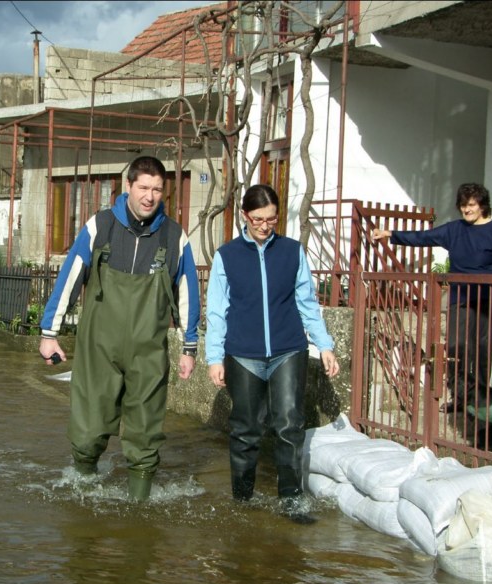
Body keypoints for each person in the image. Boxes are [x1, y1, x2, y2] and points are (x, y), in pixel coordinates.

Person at [39, 155, 201, 501]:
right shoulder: (101, 226)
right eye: (143, 187)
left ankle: (139, 508)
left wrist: (189, 348)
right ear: (128, 186)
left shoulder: (175, 237)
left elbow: (188, 293)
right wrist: (49, 334)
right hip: (99, 350)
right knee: (87, 432)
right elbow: (69, 279)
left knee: (145, 437)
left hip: (149, 354)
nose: (149, 196)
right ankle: (82, 491)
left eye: (158, 189)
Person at [205, 184, 339, 516]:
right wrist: (214, 357)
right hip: (243, 355)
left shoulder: (292, 252)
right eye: (258, 219)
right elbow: (217, 311)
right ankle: (242, 499)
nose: (265, 226)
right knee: (246, 430)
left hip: (287, 350)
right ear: (244, 216)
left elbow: (308, 303)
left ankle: (291, 499)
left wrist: (324, 345)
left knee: (289, 426)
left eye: (272, 219)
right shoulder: (227, 256)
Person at [372, 182, 492, 415]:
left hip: (488, 303)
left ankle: (480, 405)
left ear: (482, 205)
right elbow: (424, 237)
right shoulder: (454, 230)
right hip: (460, 301)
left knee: (482, 354)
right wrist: (390, 234)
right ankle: (459, 398)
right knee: (455, 351)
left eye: (471, 205)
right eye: (462, 206)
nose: (466, 210)